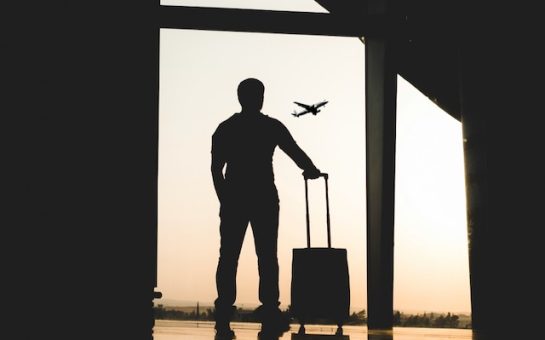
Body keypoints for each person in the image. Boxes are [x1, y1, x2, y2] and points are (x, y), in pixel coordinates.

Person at [211, 78, 321, 339]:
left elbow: (216, 169)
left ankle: (225, 307)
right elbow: (293, 150)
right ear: (260, 98)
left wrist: (225, 199)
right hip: (263, 198)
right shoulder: (270, 126)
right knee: (267, 255)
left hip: (235, 197)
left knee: (229, 256)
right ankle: (270, 307)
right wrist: (311, 169)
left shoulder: (226, 128)